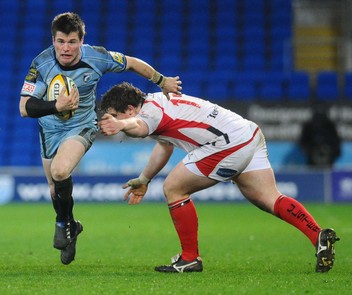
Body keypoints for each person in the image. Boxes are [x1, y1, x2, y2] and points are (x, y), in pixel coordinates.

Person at [98, 82, 340, 273]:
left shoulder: (146, 115)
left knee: (173, 188)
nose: (113, 122)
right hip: (248, 134)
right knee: (269, 198)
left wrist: (123, 125)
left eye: (114, 116)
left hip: (228, 144)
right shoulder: (157, 103)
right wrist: (144, 178)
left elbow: (138, 124)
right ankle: (318, 235)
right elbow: (165, 146)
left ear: (129, 109)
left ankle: (190, 258)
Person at [19, 12, 182, 265]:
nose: (66, 48)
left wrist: (161, 80)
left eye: (72, 41)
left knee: (61, 172)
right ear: (53, 40)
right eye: (61, 41)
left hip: (82, 125)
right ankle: (72, 225)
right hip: (49, 130)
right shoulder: (40, 64)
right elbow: (24, 107)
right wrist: (56, 105)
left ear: (82, 40)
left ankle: (62, 224)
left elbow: (132, 63)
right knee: (54, 188)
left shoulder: (97, 57)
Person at [299, 102, 341, 168]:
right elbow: (303, 142)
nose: (320, 114)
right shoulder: (309, 126)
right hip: (312, 162)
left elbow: (336, 143)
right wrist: (312, 149)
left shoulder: (330, 126)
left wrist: (327, 148)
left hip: (329, 161)